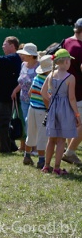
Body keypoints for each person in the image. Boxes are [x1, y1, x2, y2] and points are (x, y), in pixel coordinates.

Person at [40, 49, 79, 175]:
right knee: (61, 140)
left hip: (53, 109)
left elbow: (43, 92)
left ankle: (46, 166)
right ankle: (57, 168)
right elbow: (72, 98)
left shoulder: (50, 75)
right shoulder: (70, 77)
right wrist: (77, 115)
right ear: (66, 62)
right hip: (65, 110)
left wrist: (52, 100)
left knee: (51, 139)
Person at [0, 36, 22, 153]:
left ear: (12, 46)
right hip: (1, 95)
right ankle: (10, 145)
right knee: (4, 122)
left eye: (4, 44)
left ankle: (5, 148)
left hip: (4, 97)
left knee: (2, 122)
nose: (2, 46)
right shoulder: (10, 58)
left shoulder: (14, 57)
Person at [23, 55, 52, 168]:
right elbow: (45, 97)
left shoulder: (36, 78)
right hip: (41, 110)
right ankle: (41, 160)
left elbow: (30, 93)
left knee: (31, 133)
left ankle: (27, 155)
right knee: (42, 135)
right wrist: (48, 109)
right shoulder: (47, 81)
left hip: (32, 108)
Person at [61, 18, 82, 166]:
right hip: (79, 90)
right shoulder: (81, 47)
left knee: (72, 123)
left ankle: (70, 153)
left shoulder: (66, 42)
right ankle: (70, 152)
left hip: (65, 87)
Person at [12, 43, 39, 151]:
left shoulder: (39, 66)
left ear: (31, 55)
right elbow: (23, 81)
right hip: (23, 99)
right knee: (27, 123)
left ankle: (36, 148)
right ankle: (31, 147)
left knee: (34, 123)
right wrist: (15, 90)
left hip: (36, 100)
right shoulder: (23, 65)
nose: (23, 56)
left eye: (25, 54)